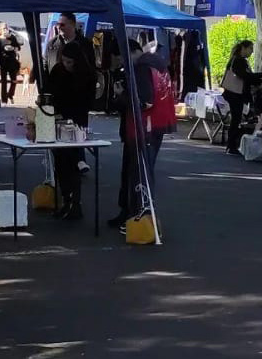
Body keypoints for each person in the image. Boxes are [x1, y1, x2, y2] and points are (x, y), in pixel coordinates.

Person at [108, 39, 175, 230]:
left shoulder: (141, 68)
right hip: (157, 124)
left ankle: (139, 215)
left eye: (120, 59)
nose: (121, 64)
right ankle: (135, 213)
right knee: (142, 170)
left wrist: (121, 96)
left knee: (139, 172)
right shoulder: (158, 65)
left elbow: (145, 101)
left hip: (143, 126)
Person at [45, 41, 94, 220]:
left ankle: (75, 203)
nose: (66, 65)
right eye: (64, 61)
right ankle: (67, 200)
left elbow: (87, 102)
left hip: (76, 124)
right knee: (60, 163)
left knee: (73, 163)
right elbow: (47, 93)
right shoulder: (57, 71)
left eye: (70, 62)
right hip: (57, 121)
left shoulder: (86, 75)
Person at [46, 13, 96, 174]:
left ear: (73, 25)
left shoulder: (85, 44)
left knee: (77, 128)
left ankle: (80, 159)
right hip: (58, 93)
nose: (59, 28)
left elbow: (91, 70)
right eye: (58, 25)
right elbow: (46, 64)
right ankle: (63, 164)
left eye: (63, 25)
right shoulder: (53, 43)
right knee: (60, 132)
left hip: (79, 95)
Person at [222, 40, 262, 155]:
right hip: (235, 93)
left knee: (237, 118)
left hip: (235, 93)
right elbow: (244, 76)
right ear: (243, 48)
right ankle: (231, 145)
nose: (251, 52)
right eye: (250, 49)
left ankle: (232, 145)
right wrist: (259, 77)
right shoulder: (238, 61)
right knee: (236, 119)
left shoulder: (239, 60)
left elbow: (246, 76)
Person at [0, 23, 21, 104]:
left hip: (12, 61)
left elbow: (18, 47)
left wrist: (13, 46)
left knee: (14, 80)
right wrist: (1, 53)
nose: (5, 30)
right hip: (3, 61)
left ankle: (10, 94)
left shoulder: (12, 37)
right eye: (3, 28)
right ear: (0, 30)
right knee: (4, 81)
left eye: (6, 28)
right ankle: (4, 99)